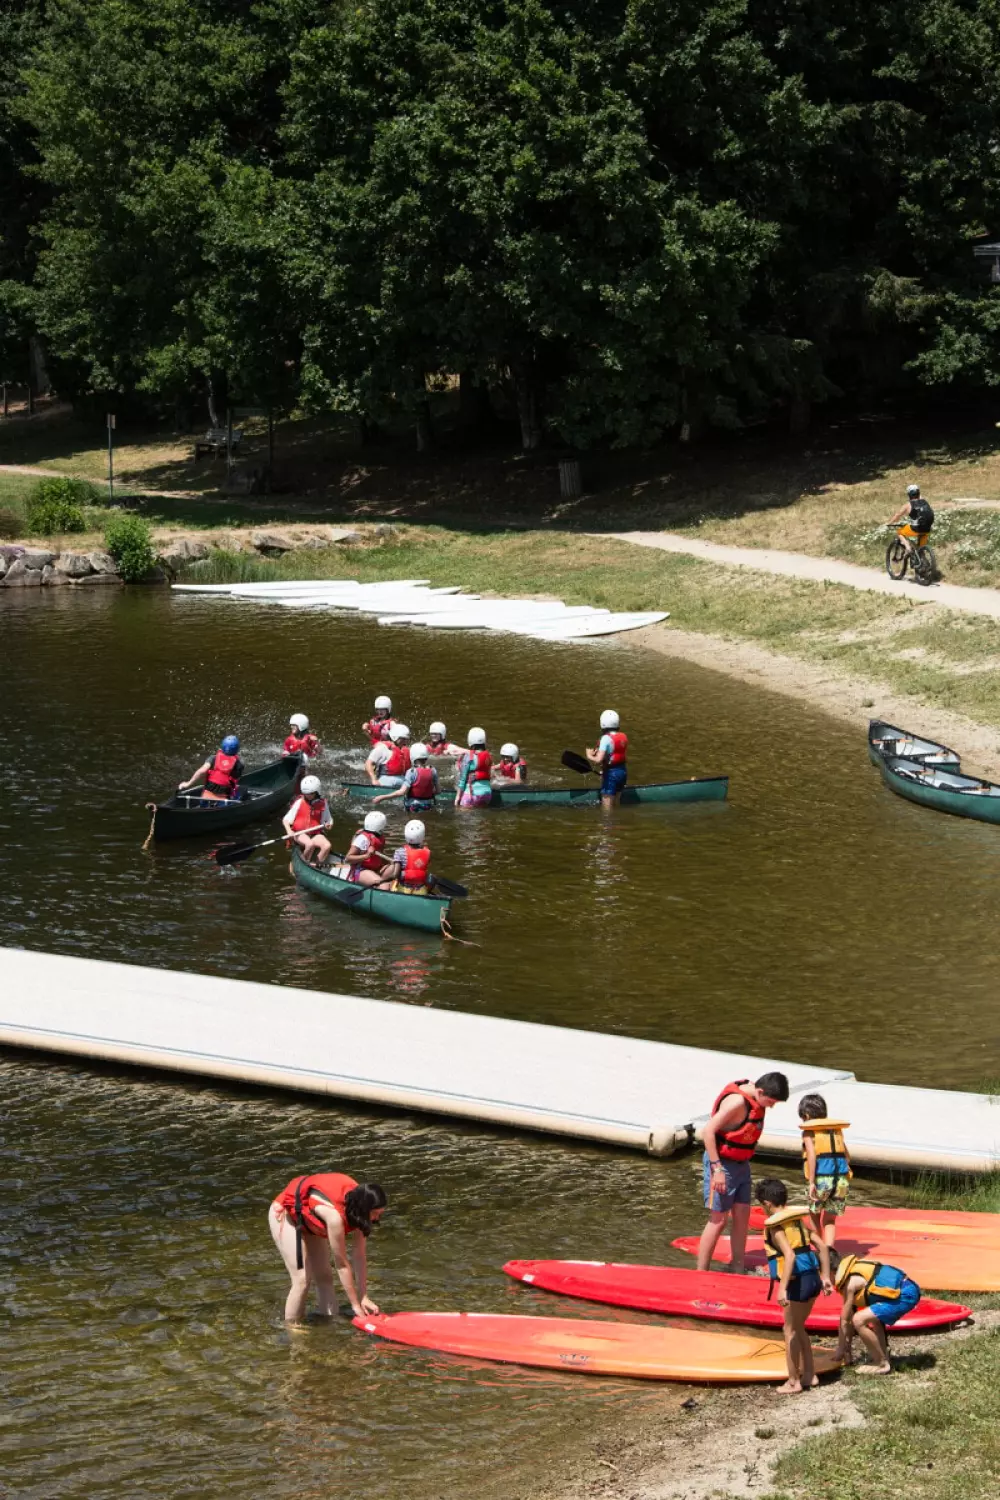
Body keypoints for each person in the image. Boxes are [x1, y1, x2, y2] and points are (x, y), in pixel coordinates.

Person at [697, 1072, 790, 1274]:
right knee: (718, 1220)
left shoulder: (756, 1096)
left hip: (741, 1164)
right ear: (760, 1091)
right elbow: (707, 1131)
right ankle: (701, 1272)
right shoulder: (737, 1103)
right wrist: (717, 1168)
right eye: (771, 1102)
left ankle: (737, 1267)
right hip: (722, 1165)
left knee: (742, 1215)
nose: (771, 1107)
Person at [269, 1171, 387, 1323]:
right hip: (287, 1213)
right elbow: (342, 1264)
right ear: (364, 1209)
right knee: (302, 1279)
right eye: (375, 1213)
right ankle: (293, 1329)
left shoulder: (361, 1207)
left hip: (311, 1219)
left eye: (380, 1213)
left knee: (325, 1276)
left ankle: (329, 1322)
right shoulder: (335, 1218)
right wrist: (355, 1305)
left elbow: (359, 1255)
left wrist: (363, 1296)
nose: (377, 1218)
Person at [756, 1178, 832, 1395]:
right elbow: (823, 1248)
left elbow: (789, 1256)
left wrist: (782, 1289)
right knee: (799, 1327)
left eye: (762, 1205)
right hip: (813, 1279)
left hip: (796, 1282)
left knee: (788, 1330)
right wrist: (825, 1276)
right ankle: (810, 1375)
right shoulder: (798, 1221)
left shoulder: (776, 1226)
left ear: (768, 1204)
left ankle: (793, 1381)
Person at [831, 1249, 922, 1376]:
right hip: (908, 1288)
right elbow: (847, 1319)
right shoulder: (852, 1272)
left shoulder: (849, 1284)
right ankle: (883, 1355)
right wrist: (847, 1353)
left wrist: (840, 1349)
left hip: (905, 1294)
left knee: (859, 1319)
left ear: (830, 1272)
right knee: (873, 1318)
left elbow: (845, 1320)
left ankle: (881, 1363)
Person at [798, 1094, 852, 1249]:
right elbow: (847, 1157)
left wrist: (811, 1182)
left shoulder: (809, 1132)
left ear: (806, 1116)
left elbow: (812, 1156)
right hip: (841, 1181)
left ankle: (819, 1250)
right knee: (829, 1220)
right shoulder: (836, 1131)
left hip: (822, 1180)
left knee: (814, 1216)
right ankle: (829, 1252)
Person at [373, 741, 439, 811]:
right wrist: (424, 793)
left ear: (412, 755)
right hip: (428, 806)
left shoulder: (411, 772)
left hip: (413, 807)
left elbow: (402, 792)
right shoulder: (433, 770)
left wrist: (383, 797)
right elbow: (438, 791)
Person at [282, 774, 332, 866]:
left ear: (317, 792)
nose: (308, 796)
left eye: (311, 794)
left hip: (315, 833)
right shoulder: (299, 802)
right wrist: (289, 831)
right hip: (299, 833)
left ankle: (316, 866)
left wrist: (328, 825)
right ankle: (301, 865)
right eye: (306, 794)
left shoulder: (323, 804)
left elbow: (329, 820)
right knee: (310, 844)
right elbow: (286, 820)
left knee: (327, 846)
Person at [178, 735, 244, 802]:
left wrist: (188, 784)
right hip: (224, 799)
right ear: (237, 750)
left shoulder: (213, 758)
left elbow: (201, 771)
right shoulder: (239, 764)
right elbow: (234, 781)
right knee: (242, 790)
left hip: (206, 797)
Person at [378, 818, 433, 894]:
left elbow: (395, 874)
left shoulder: (400, 852)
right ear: (422, 836)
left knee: (389, 883)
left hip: (403, 890)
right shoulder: (428, 852)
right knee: (431, 878)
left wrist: (382, 880)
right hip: (421, 891)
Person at [585, 710, 628, 806]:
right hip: (622, 772)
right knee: (617, 803)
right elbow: (614, 754)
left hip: (611, 775)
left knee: (606, 810)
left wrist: (589, 755)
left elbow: (598, 759)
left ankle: (607, 821)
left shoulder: (605, 738)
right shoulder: (623, 736)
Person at [334, 810, 388, 886]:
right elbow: (348, 859)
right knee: (383, 885)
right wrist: (367, 855)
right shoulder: (363, 838)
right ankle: (381, 887)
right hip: (361, 870)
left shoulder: (380, 837)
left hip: (376, 868)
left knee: (394, 869)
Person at [886, 483, 934, 561]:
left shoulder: (908, 505)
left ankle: (907, 547)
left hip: (916, 529)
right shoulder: (924, 500)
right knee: (921, 550)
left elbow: (897, 515)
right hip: (927, 529)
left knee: (900, 532)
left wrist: (889, 523)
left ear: (909, 495)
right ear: (918, 493)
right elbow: (919, 497)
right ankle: (923, 566)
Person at [455, 727, 493, 807]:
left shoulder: (469, 757)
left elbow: (462, 779)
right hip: (487, 795)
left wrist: (458, 797)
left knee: (461, 814)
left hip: (472, 794)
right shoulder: (488, 756)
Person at [366, 723, 411, 788]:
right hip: (386, 781)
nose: (405, 742)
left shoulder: (406, 750)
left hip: (403, 782)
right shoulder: (382, 748)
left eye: (406, 739)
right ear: (395, 737)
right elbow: (368, 763)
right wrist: (374, 779)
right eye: (403, 739)